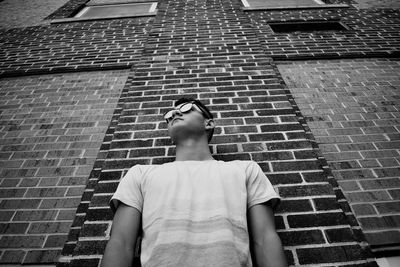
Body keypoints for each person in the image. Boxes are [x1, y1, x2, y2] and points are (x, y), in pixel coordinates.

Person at [101, 98, 287, 267]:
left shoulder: (245, 170)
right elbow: (121, 243)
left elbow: (264, 239)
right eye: (169, 114)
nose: (174, 113)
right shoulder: (140, 174)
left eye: (186, 107)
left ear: (209, 123)